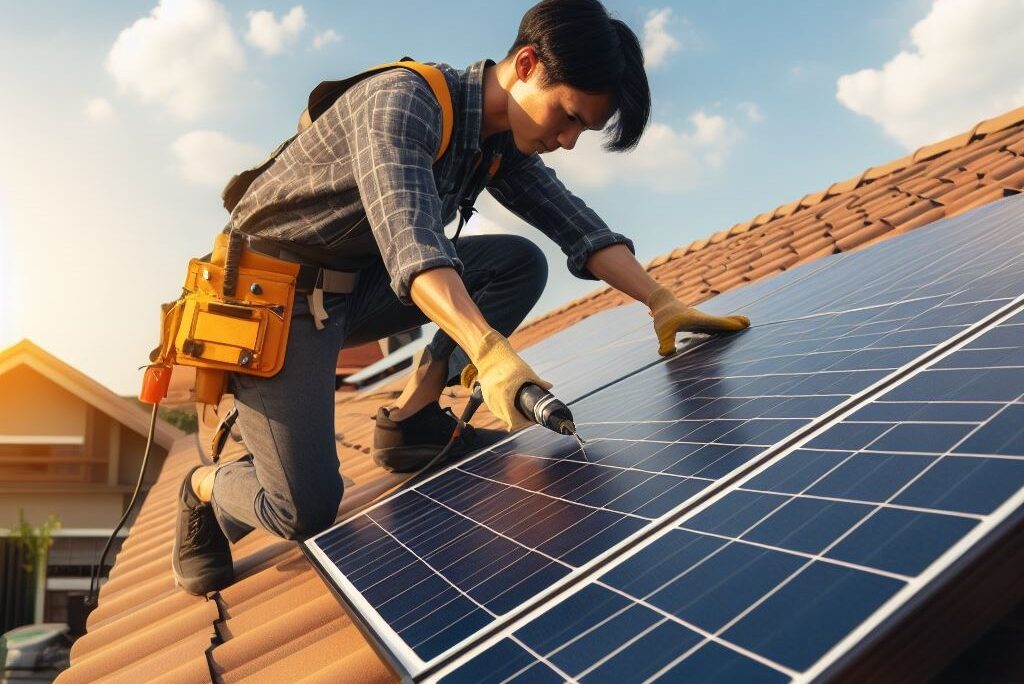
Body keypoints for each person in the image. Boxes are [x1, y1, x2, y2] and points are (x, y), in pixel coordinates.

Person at [172, 0, 749, 596]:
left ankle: (412, 420)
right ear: (526, 64)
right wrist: (488, 350)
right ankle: (205, 488)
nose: (568, 141)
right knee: (304, 510)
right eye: (568, 117)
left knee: (517, 263)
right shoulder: (402, 102)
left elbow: (577, 227)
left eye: (581, 130)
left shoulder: (497, 141)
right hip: (275, 307)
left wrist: (661, 301)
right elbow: (413, 248)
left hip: (357, 291)